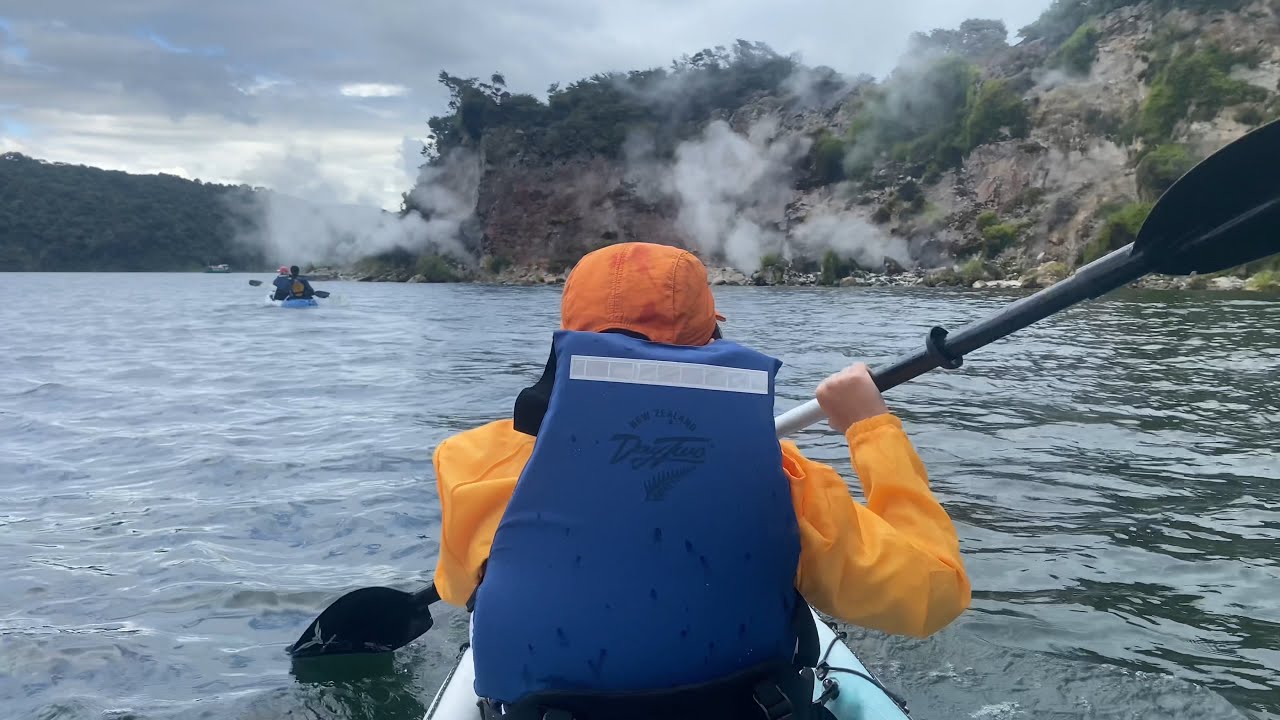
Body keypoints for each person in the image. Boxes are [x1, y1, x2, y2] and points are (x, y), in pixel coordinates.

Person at [431, 242, 970, 720]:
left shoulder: (471, 462)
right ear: (712, 339)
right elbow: (934, 593)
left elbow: (459, 590)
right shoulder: (786, 478)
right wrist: (869, 427)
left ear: (569, 338)